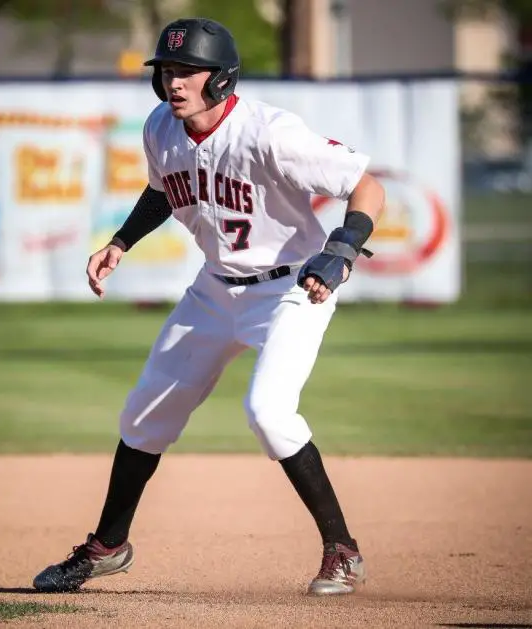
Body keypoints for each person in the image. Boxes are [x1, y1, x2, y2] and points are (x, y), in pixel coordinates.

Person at [33, 17, 385, 597]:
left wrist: (341, 251)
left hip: (291, 288)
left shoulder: (270, 132)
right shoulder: (160, 129)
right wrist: (120, 242)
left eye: (188, 71)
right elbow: (163, 190)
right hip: (214, 289)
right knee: (143, 416)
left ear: (220, 79)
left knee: (268, 413)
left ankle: (342, 552)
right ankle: (107, 547)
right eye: (168, 71)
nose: (174, 82)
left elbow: (366, 185)